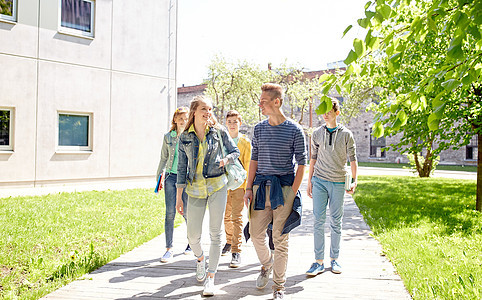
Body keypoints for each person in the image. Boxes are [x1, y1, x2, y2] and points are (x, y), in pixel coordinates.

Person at [244, 83, 307, 300]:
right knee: (254, 234)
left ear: (276, 102)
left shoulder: (294, 130)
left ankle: (278, 287)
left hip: (284, 191)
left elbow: (301, 164)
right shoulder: (259, 129)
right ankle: (266, 264)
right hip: (260, 189)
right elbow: (254, 160)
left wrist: (293, 193)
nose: (260, 104)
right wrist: (247, 189)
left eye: (263, 101)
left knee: (280, 239)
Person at [176, 95, 240, 296]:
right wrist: (179, 197)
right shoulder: (185, 137)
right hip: (194, 189)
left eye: (210, 109)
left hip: (216, 186)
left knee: (215, 233)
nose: (208, 112)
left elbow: (235, 151)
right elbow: (180, 168)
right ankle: (201, 259)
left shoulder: (219, 132)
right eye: (204, 108)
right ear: (194, 111)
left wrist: (226, 160)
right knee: (192, 235)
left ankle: (211, 278)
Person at [305, 98, 358, 276]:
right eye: (323, 112)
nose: (325, 115)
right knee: (318, 221)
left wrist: (354, 180)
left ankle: (334, 260)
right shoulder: (317, 133)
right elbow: (313, 158)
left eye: (329, 111)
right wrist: (310, 180)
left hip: (338, 181)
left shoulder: (346, 134)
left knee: (336, 221)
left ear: (337, 113)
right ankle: (318, 261)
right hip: (319, 180)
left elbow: (353, 159)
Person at [155, 106, 191, 263]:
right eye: (180, 118)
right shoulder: (168, 137)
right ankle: (169, 249)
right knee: (170, 213)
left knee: (187, 213)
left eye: (185, 118)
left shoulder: (191, 136)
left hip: (187, 178)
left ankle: (191, 244)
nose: (183, 121)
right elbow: (163, 157)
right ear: (175, 119)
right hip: (170, 176)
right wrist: (159, 177)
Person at [221, 110, 251, 268]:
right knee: (226, 217)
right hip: (224, 186)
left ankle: (236, 250)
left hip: (239, 185)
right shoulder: (222, 140)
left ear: (240, 123)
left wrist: (247, 187)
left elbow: (248, 164)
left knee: (237, 217)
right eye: (229, 121)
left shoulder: (245, 142)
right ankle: (228, 240)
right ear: (226, 123)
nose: (232, 124)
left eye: (235, 121)